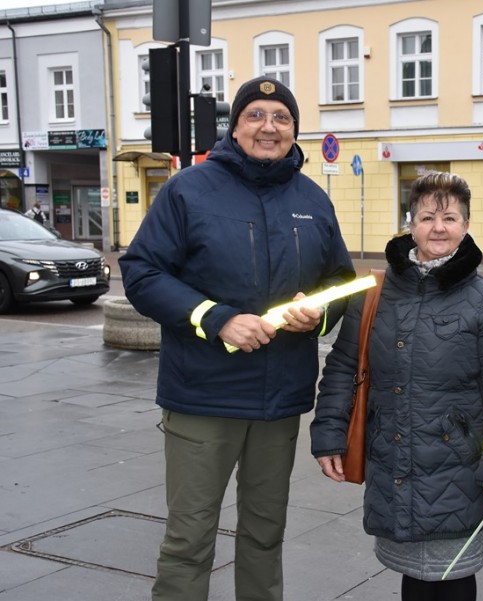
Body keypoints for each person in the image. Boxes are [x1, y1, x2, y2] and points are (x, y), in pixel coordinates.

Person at [120, 76, 355, 601]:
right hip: (204, 395)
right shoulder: (189, 189)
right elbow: (142, 272)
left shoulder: (313, 200)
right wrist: (214, 317)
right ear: (236, 125)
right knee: (190, 537)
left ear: (295, 131)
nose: (268, 127)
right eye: (256, 115)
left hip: (279, 400)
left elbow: (340, 283)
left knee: (265, 533)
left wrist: (315, 314)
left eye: (281, 118)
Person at [311, 172, 483, 601]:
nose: (439, 227)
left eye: (450, 217)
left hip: (457, 466)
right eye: (427, 216)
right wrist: (328, 436)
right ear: (410, 224)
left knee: (453, 575)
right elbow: (343, 366)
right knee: (414, 576)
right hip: (393, 458)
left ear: (466, 225)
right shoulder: (374, 292)